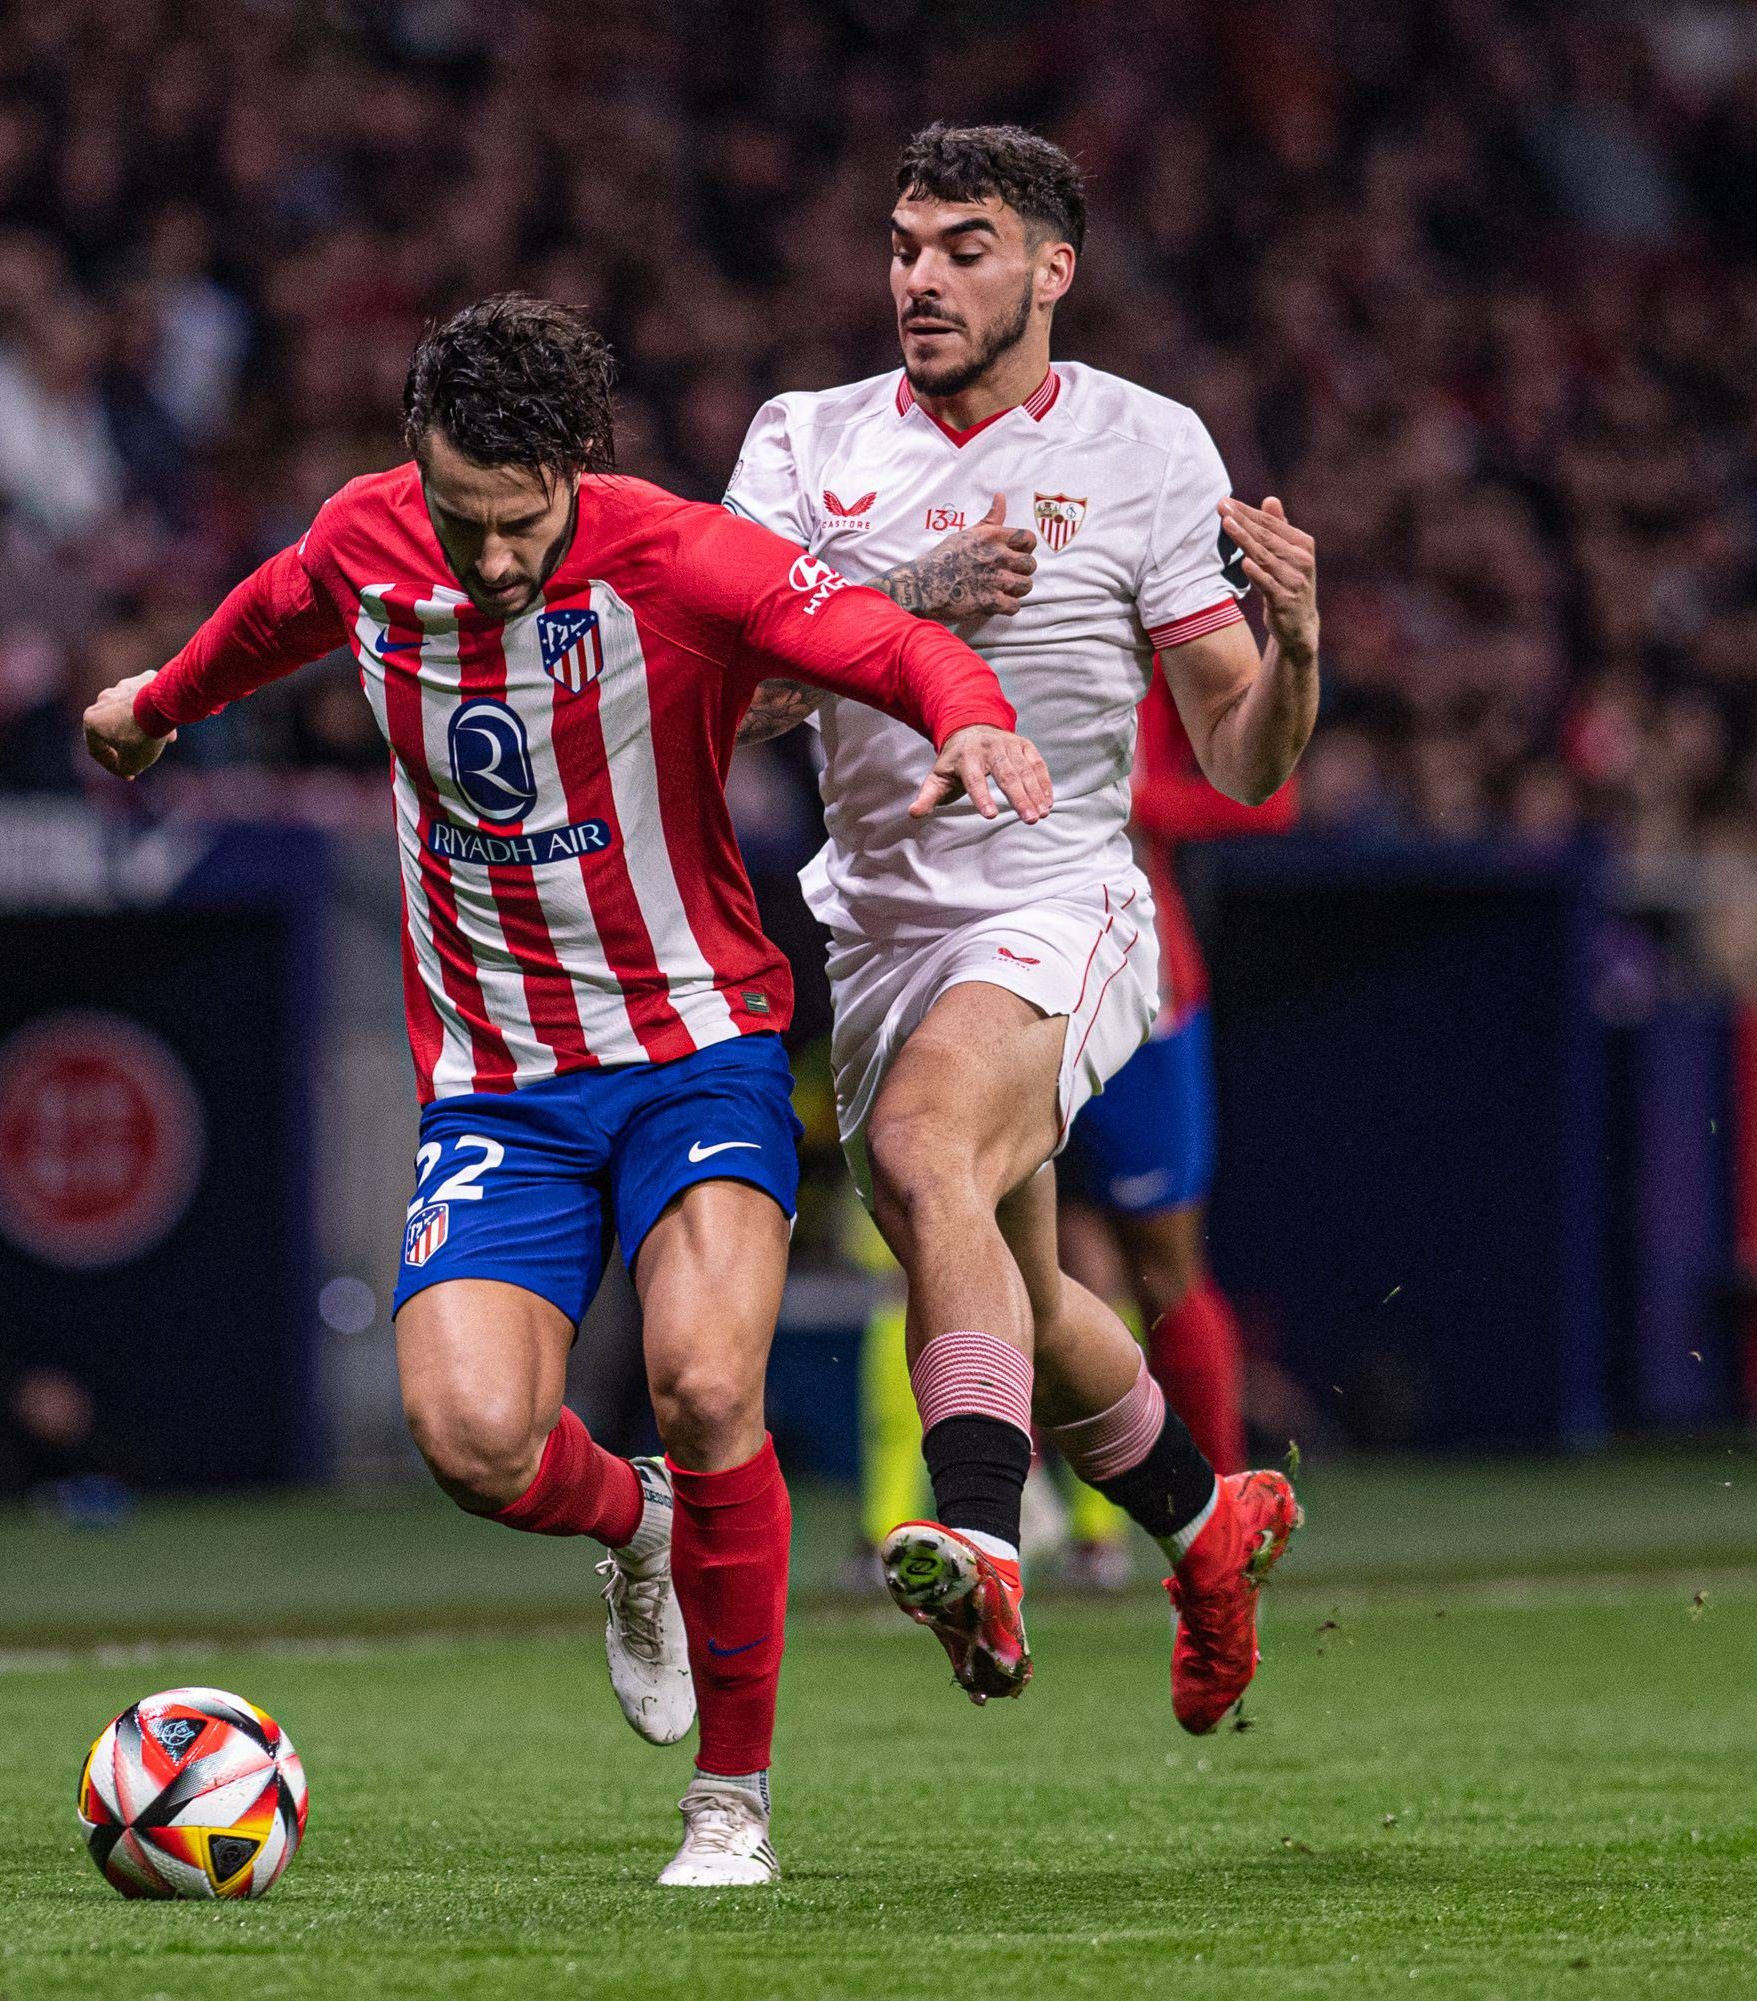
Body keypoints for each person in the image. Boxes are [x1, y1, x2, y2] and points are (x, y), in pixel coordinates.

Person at [84, 294, 1048, 1885]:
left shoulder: (675, 557)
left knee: (708, 1384)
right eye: (463, 516)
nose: (494, 555)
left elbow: (880, 640)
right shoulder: (367, 540)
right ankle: (641, 1527)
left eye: (522, 521)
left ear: (576, 475)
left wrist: (975, 717)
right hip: (496, 1086)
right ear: (419, 467)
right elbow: (275, 610)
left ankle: (731, 1803)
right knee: (470, 1439)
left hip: (695, 1050)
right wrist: (161, 702)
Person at [726, 124, 1316, 1730]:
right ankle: (1211, 1530)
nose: (920, 275)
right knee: (1030, 1297)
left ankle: (980, 1533)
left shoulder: (1148, 446)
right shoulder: (800, 445)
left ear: (1054, 269)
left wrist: (1302, 653)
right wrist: (906, 602)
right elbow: (733, 703)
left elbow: (1243, 759)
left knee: (921, 1154)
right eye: (906, 244)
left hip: (1064, 899)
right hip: (878, 928)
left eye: (963, 245)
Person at [1057, 677, 1299, 1485]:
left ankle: (1220, 1511)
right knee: (987, 1264)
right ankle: (996, 1508)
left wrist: (1134, 803)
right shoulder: (953, 608)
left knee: (1162, 1274)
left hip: (1136, 996)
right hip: (978, 984)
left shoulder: (1152, 634)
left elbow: (1272, 795)